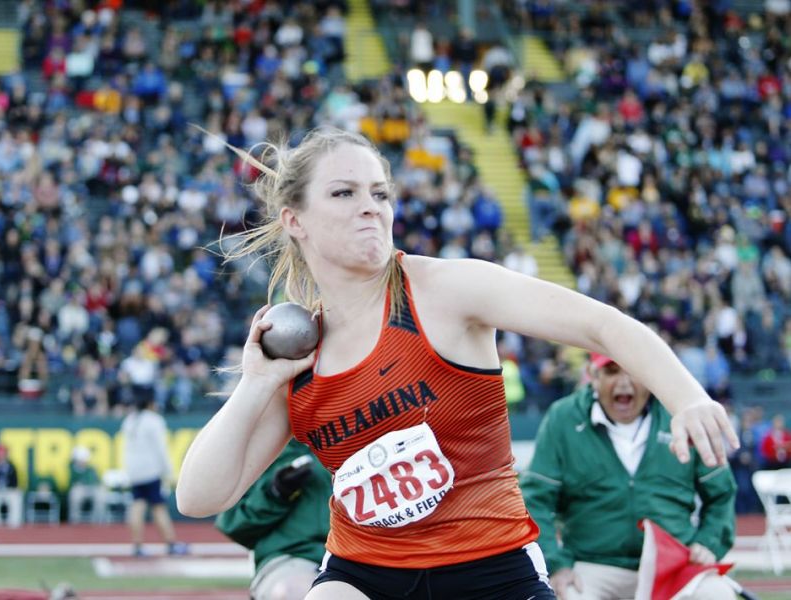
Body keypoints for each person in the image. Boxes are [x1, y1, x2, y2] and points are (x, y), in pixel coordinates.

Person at [175, 128, 738, 599]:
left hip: (491, 565)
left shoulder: (444, 291)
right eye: (344, 193)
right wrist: (256, 384)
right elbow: (199, 497)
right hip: (365, 575)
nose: (370, 206)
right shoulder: (299, 356)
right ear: (295, 220)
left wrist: (686, 397)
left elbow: (602, 325)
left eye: (380, 192)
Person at [520, 353, 738, 600]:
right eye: (612, 371)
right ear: (593, 375)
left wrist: (709, 542)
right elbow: (535, 499)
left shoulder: (681, 414)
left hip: (674, 563)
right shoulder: (563, 418)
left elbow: (722, 492)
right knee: (569, 595)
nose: (624, 383)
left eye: (633, 370)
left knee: (717, 595)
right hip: (592, 564)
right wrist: (556, 564)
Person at [215, 439, 331, 600]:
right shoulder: (258, 449)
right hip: (292, 555)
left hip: (355, 555)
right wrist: (276, 493)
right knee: (293, 591)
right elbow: (232, 524)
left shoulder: (360, 439)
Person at [121, 392, 187, 556]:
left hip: (134, 470)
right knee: (158, 507)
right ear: (150, 403)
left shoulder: (129, 420)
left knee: (137, 504)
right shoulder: (154, 421)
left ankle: (137, 545)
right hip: (150, 469)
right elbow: (161, 449)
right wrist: (168, 471)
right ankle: (170, 543)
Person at [0, 442, 23, 528]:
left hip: (9, 490)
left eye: (2, 453)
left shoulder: (11, 466)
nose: (0, 456)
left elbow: (15, 481)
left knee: (15, 497)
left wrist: (14, 488)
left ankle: (14, 523)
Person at [68, 446, 102, 523]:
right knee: (75, 494)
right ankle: (75, 519)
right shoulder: (73, 469)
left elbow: (96, 481)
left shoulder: (91, 469)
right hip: (80, 490)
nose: (82, 461)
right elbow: (73, 482)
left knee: (100, 495)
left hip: (92, 489)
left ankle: (97, 519)